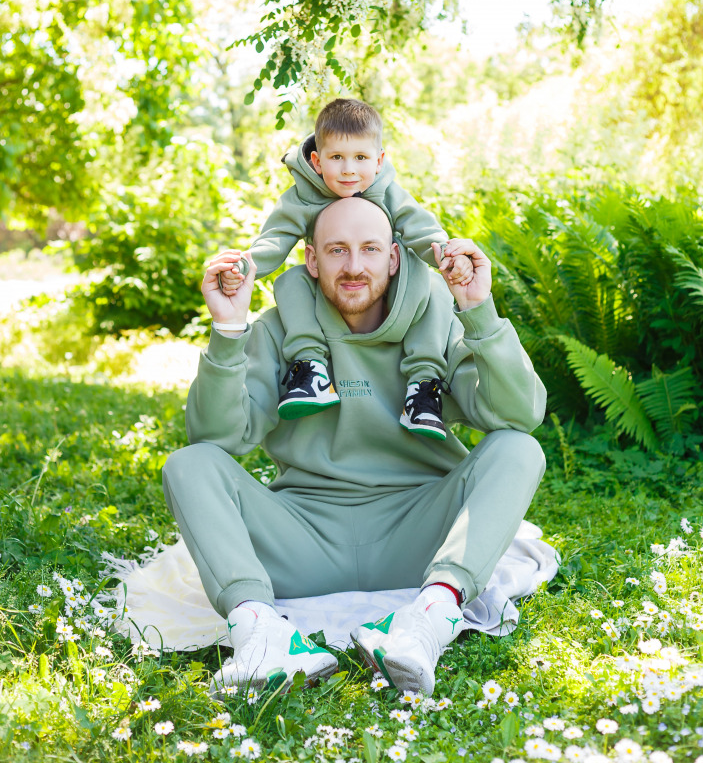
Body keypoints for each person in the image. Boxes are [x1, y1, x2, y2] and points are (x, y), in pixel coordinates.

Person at [162, 196, 547, 697]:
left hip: (419, 533)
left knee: (519, 448)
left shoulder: (434, 325)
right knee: (190, 464)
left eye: (369, 249)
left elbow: (518, 414)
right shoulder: (277, 332)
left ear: (393, 257)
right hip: (305, 540)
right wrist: (229, 329)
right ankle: (261, 632)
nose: (354, 266)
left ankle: (429, 616)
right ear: (311, 259)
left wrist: (478, 310)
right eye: (337, 250)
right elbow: (217, 438)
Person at [218, 97, 475, 440]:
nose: (349, 169)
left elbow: (420, 227)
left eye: (361, 158)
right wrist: (242, 267)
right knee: (292, 282)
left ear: (379, 160)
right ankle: (310, 369)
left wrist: (448, 256)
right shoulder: (303, 196)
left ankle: (424, 388)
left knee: (435, 289)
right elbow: (275, 238)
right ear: (317, 160)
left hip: (395, 289)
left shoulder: (387, 191)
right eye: (337, 157)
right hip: (330, 297)